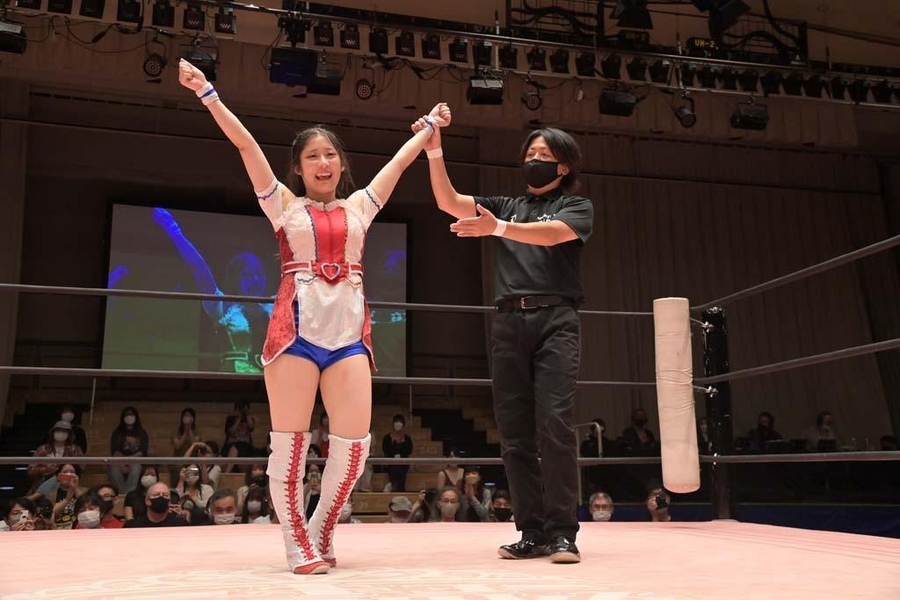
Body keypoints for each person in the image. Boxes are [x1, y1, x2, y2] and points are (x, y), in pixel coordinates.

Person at [178, 59, 446, 575]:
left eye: (330, 154)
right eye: (311, 156)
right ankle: (295, 541)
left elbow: (398, 163)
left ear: (341, 164)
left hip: (349, 338)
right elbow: (246, 146)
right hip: (293, 336)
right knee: (291, 446)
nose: (323, 162)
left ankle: (322, 526)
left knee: (355, 447)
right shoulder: (282, 204)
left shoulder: (361, 207)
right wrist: (208, 92)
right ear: (298, 169)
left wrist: (428, 129)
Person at [417, 112, 592, 564]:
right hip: (509, 323)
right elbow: (448, 201)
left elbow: (551, 236)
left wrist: (495, 228)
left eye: (544, 154)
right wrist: (434, 149)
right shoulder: (507, 205)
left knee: (555, 425)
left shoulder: (576, 207)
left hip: (556, 320)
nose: (534, 158)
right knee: (514, 434)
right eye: (530, 152)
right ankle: (532, 531)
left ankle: (563, 532)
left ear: (563, 166)